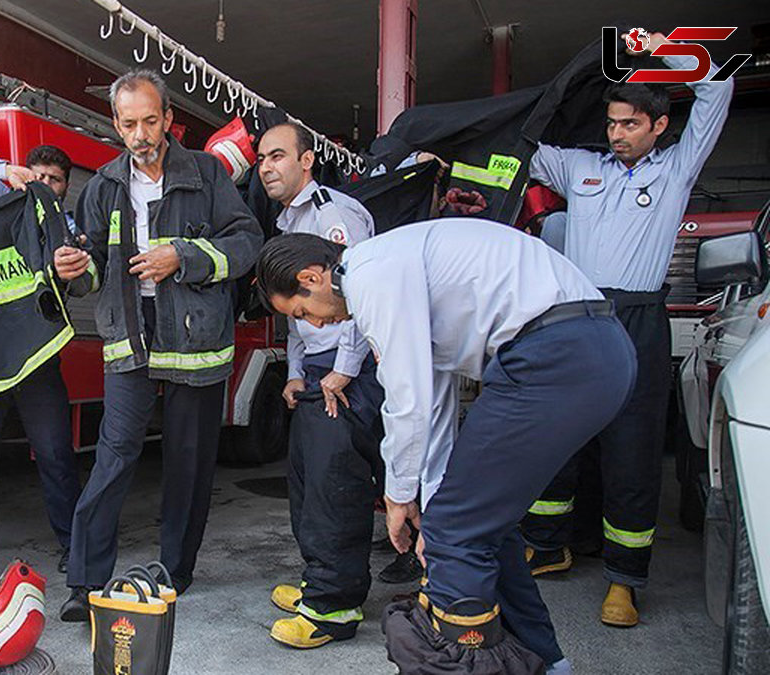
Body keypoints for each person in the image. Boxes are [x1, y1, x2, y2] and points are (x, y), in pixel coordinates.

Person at [256, 221, 638, 673]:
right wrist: (430, 503)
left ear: (312, 277)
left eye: (302, 312)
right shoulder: (395, 268)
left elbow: (408, 400)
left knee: (456, 534)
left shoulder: (371, 274)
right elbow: (435, 402)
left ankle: (470, 665)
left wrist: (401, 498)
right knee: (477, 527)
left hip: (554, 354)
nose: (315, 324)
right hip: (592, 352)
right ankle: (548, 662)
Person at [521, 31, 733, 626]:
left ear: (658, 126)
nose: (617, 134)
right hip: (578, 318)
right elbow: (522, 141)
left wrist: (664, 46)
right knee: (560, 436)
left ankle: (624, 579)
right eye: (612, 123)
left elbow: (719, 88)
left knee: (631, 450)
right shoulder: (580, 166)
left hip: (639, 320)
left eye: (630, 125)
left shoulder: (676, 170)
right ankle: (550, 543)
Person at [52, 69, 263, 621]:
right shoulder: (103, 186)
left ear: (170, 120)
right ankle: (86, 579)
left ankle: (176, 568)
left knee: (188, 461)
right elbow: (94, 261)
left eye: (150, 120)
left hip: (195, 340)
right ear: (117, 125)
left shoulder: (209, 174)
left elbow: (246, 243)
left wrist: (184, 258)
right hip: (130, 337)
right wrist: (77, 268)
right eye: (129, 123)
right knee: (113, 456)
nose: (141, 133)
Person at [254, 122, 386, 648]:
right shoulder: (284, 223)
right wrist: (292, 372)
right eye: (262, 157)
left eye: (279, 156)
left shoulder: (336, 215)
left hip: (346, 368)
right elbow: (296, 312)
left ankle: (334, 606)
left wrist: (345, 369)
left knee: (337, 488)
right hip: (314, 369)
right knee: (308, 485)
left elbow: (356, 295)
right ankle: (318, 581)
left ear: (307, 161)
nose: (267, 166)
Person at [0, 144, 83, 570]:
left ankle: (71, 544)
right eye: (37, 175)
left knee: (55, 452)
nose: (44, 185)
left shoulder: (67, 229)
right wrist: (7, 172)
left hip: (35, 359)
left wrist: (73, 265)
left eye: (54, 180)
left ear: (64, 188)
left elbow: (84, 282)